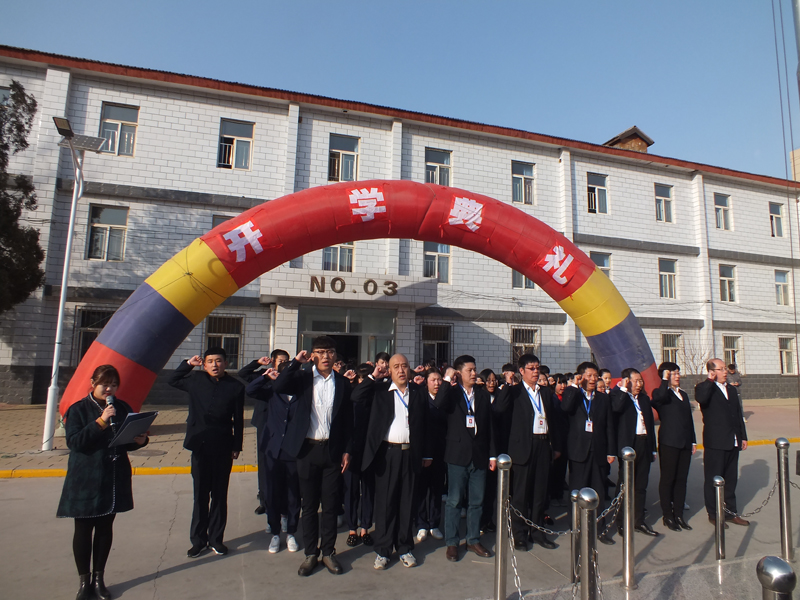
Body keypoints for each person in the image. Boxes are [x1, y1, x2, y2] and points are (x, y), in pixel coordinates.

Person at [57, 365, 149, 600]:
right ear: (93, 383)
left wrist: (139, 441)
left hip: (113, 475)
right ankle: (84, 582)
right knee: (83, 529)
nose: (109, 389)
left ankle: (99, 579)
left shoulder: (122, 408)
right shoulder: (78, 409)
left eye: (114, 385)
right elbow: (75, 442)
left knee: (105, 528)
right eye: (104, 384)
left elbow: (126, 441)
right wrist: (100, 421)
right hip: (85, 477)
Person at [272, 336, 354, 576]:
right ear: (312, 355)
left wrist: (347, 449)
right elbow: (278, 386)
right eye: (320, 352)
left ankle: (328, 552)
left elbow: (348, 420)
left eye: (330, 352)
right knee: (308, 506)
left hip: (332, 451)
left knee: (330, 506)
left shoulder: (342, 382)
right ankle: (310, 553)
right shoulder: (302, 378)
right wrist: (296, 363)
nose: (326, 357)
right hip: (307, 450)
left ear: (335, 355)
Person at [352, 354, 431, 569]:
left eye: (404, 366)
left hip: (411, 453)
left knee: (407, 502)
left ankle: (404, 548)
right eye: (396, 367)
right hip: (387, 454)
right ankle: (383, 550)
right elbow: (356, 396)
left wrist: (426, 454)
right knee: (386, 503)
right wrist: (373, 376)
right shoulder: (380, 390)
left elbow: (425, 425)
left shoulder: (418, 392)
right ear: (390, 370)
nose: (401, 370)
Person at [169, 347, 244, 558]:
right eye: (210, 361)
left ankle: (216, 540)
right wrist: (188, 364)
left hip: (222, 446)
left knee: (219, 496)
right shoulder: (195, 380)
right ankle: (198, 540)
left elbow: (238, 419)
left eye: (218, 361)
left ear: (226, 363)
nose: (214, 365)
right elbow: (173, 380)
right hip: (200, 445)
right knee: (200, 496)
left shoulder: (236, 387)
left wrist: (236, 446)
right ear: (204, 364)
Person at [492, 354, 564, 550]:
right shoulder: (514, 392)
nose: (535, 372)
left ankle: (538, 532)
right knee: (521, 494)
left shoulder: (545, 392)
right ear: (521, 371)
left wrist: (556, 446)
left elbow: (554, 420)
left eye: (537, 368)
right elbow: (499, 409)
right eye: (531, 368)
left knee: (540, 493)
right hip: (523, 446)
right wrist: (507, 385)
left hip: (543, 444)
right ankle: (520, 534)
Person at [436, 355, 497, 562]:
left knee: (476, 501)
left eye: (474, 369)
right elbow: (438, 403)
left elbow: (489, 427)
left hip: (479, 456)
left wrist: (492, 454)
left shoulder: (482, 395)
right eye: (469, 370)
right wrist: (447, 379)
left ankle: (473, 539)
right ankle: (452, 543)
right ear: (459, 372)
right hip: (457, 455)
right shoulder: (452, 394)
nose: (474, 373)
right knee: (454, 501)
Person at [244, 352, 301, 554]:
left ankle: (291, 532)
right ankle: (275, 532)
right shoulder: (271, 392)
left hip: (293, 450)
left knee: (293, 494)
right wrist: (265, 377)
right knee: (272, 492)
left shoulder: (302, 395)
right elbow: (250, 390)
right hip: (272, 449)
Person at [560, 362, 616, 544]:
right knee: (577, 490)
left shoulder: (603, 398)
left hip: (598, 450)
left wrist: (611, 451)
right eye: (589, 376)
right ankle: (575, 525)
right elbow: (565, 408)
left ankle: (600, 528)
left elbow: (609, 426)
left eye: (595, 376)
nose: (593, 379)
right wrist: (574, 386)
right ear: (581, 377)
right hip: (578, 450)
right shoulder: (574, 395)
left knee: (599, 491)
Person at [696, 358, 749, 527]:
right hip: (716, 442)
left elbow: (738, 414)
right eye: (721, 369)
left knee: (730, 479)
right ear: (712, 372)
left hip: (733, 440)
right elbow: (701, 398)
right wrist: (710, 381)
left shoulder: (731, 390)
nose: (725, 372)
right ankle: (713, 513)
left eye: (725, 368)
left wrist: (743, 436)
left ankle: (731, 512)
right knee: (713, 478)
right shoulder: (704, 388)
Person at [239, 350, 291, 521]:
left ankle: (283, 500)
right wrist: (258, 363)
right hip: (264, 422)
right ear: (273, 361)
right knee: (264, 462)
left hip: (282, 424)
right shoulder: (263, 374)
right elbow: (243, 374)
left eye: (286, 360)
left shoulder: (287, 377)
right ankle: (264, 499)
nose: (283, 363)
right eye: (280, 360)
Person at [609, 368, 658, 537]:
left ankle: (638, 520)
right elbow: (616, 408)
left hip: (644, 443)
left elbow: (650, 425)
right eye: (636, 381)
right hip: (628, 445)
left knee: (641, 485)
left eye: (640, 381)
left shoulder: (644, 399)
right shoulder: (619, 396)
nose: (639, 384)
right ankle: (621, 521)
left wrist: (653, 448)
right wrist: (623, 389)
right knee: (625, 484)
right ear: (627, 381)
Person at [651, 361, 696, 531]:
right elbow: (659, 398)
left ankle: (679, 514)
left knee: (681, 479)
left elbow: (688, 420)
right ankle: (668, 516)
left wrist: (693, 440)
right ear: (666, 376)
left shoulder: (683, 394)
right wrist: (664, 380)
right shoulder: (661, 393)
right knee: (668, 479)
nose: (677, 376)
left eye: (678, 373)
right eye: (673, 373)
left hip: (685, 442)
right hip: (669, 442)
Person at [415, 369, 447, 542]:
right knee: (421, 489)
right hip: (423, 452)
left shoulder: (445, 398)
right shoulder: (420, 398)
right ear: (426, 381)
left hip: (440, 451)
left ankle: (434, 523)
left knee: (436, 489)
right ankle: (421, 524)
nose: (437, 383)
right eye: (433, 380)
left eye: (439, 380)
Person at [479, 368, 501, 533]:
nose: (491, 383)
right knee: (480, 488)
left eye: (494, 380)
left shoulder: (499, 397)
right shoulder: (479, 397)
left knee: (491, 489)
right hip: (481, 447)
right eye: (488, 380)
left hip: (496, 447)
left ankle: (488, 519)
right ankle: (479, 521)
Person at [548, 374, 570, 506]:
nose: (563, 386)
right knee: (554, 469)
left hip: (566, 437)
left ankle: (559, 494)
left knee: (562, 468)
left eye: (564, 383)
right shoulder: (552, 399)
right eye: (559, 383)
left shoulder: (567, 398)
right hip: (556, 438)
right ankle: (553, 494)